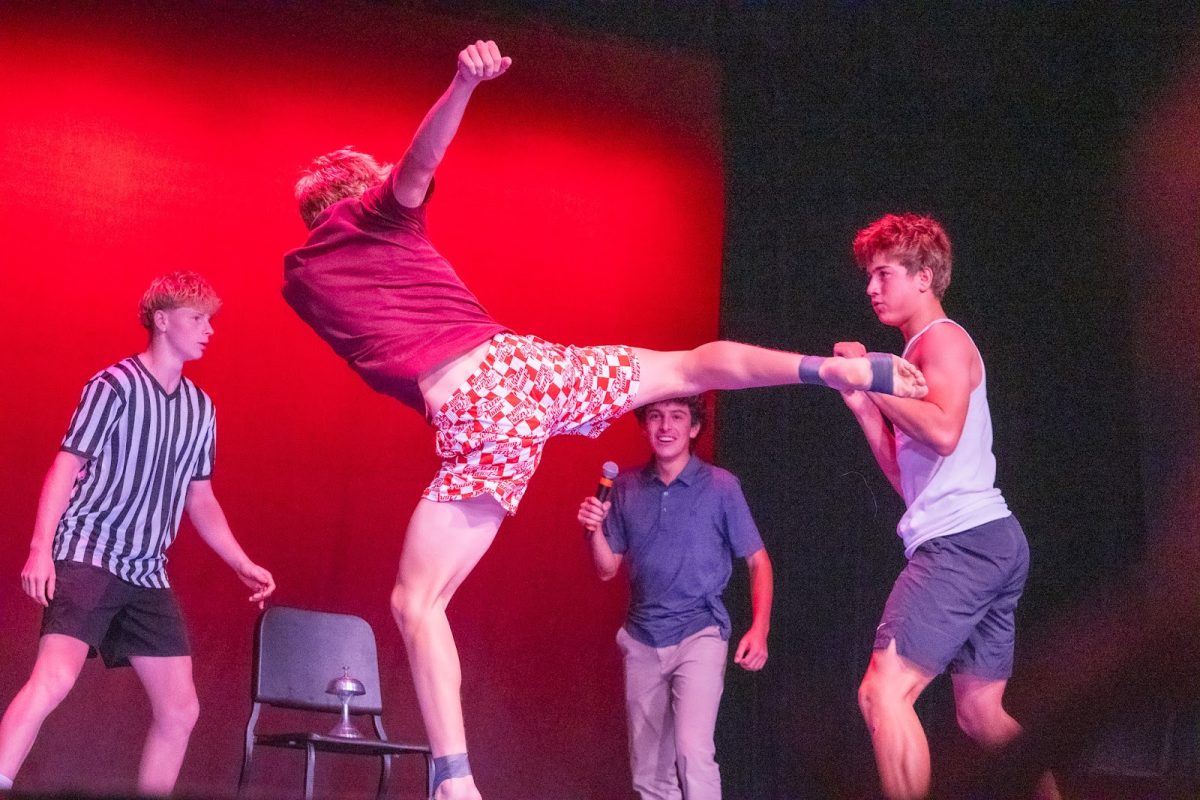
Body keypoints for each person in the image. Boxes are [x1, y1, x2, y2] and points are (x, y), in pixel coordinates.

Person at [282, 41, 925, 800]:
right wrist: (460, 84)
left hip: (478, 400)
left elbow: (389, 285)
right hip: (526, 367)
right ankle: (827, 369)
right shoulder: (373, 219)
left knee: (416, 604)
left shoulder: (301, 281)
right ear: (356, 193)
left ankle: (456, 785)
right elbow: (416, 168)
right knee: (685, 367)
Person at [0, 272, 276, 796]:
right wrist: (42, 549)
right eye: (198, 319)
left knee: (180, 709)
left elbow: (201, 498)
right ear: (162, 320)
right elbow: (65, 467)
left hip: (146, 569)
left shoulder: (201, 408)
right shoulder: (113, 387)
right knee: (54, 679)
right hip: (89, 551)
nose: (209, 331)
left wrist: (240, 560)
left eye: (211, 320)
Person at [837, 213, 1058, 800]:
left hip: (963, 543)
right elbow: (913, 479)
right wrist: (864, 402)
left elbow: (942, 432)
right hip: (985, 541)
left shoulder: (943, 340)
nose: (871, 287)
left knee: (882, 692)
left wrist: (877, 379)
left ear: (924, 276)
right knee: (980, 715)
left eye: (883, 273)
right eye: (869, 276)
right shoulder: (916, 352)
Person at [577, 395, 772, 800]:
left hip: (699, 632)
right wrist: (593, 530)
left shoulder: (720, 486)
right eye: (656, 417)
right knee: (649, 772)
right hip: (642, 637)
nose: (666, 427)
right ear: (645, 426)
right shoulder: (627, 487)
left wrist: (759, 628)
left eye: (677, 418)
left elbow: (758, 561)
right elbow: (606, 568)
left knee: (692, 751)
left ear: (694, 428)